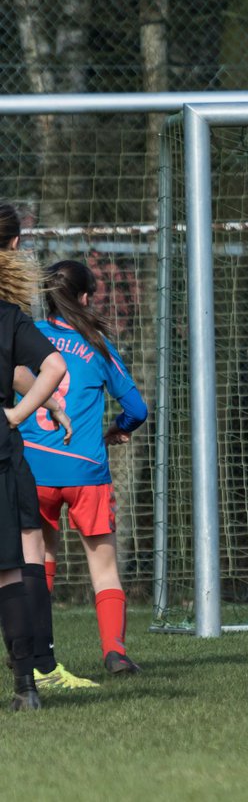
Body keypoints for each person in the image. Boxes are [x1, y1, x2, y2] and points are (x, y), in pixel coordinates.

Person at [19, 259, 148, 677]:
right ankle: (115, 653)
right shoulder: (96, 344)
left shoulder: (31, 336)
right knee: (104, 567)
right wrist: (117, 430)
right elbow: (137, 408)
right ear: (86, 297)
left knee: (39, 559)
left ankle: (34, 652)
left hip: (34, 468)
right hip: (85, 470)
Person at [0, 203, 68, 710]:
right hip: (3, 447)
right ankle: (28, 685)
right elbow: (51, 365)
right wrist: (19, 413)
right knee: (13, 568)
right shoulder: (10, 317)